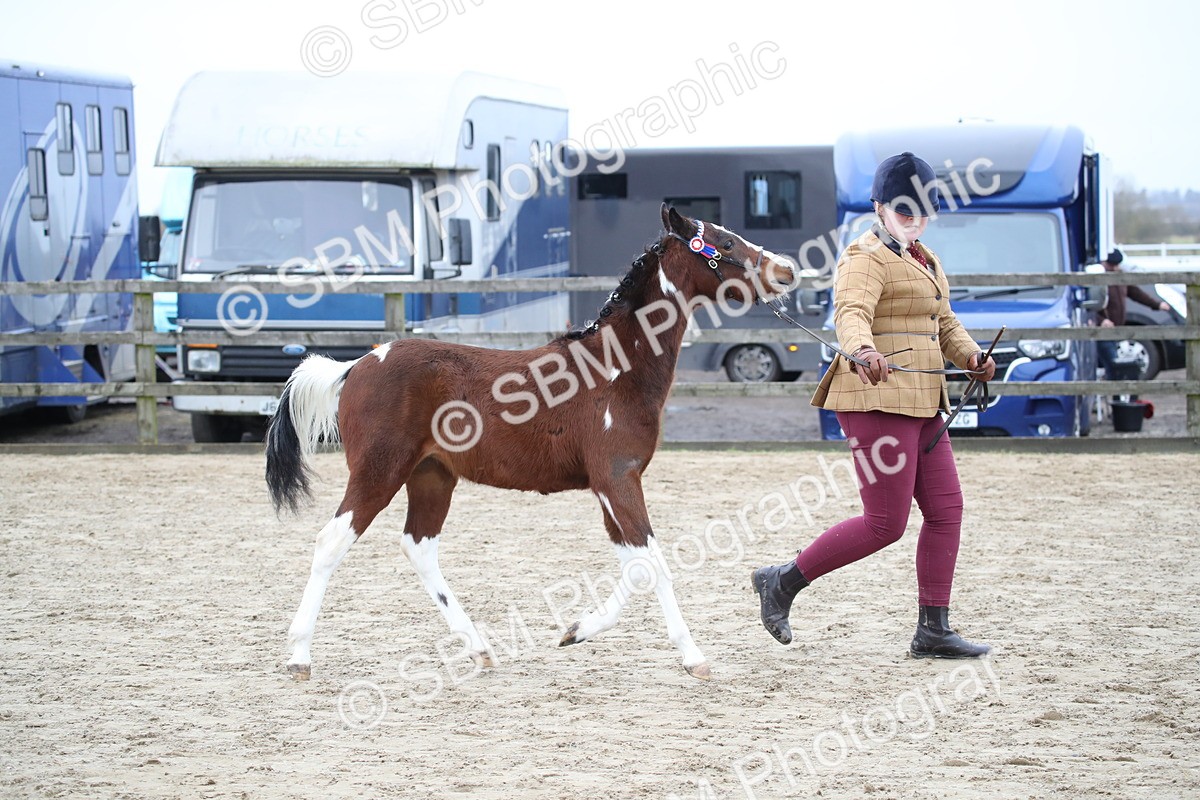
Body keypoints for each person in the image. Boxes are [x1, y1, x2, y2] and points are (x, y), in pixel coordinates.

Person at [751, 152, 997, 659]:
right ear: (880, 207)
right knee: (885, 523)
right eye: (906, 212)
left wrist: (971, 355)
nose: (916, 220)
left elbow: (944, 323)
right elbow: (852, 313)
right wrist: (863, 351)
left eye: (924, 211)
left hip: (923, 401)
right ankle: (782, 582)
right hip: (874, 398)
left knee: (947, 510)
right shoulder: (864, 256)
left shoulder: (923, 258)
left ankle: (933, 629)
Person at [1095, 248, 1171, 375]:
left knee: (1113, 365)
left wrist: (1156, 304)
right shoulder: (1098, 278)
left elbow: (1137, 294)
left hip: (1116, 329)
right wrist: (1101, 320)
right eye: (1111, 265)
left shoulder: (1121, 278)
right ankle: (1117, 392)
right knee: (1113, 364)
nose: (1114, 268)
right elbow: (1089, 304)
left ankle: (1116, 392)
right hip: (1104, 329)